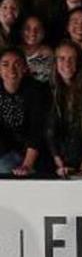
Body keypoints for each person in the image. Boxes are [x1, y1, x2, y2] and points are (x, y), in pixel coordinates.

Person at [0, 48, 49, 176]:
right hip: (5, 152)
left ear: (25, 68)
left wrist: (27, 165)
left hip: (35, 152)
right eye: (5, 64)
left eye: (17, 64)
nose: (12, 69)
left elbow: (36, 131)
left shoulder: (37, 91)